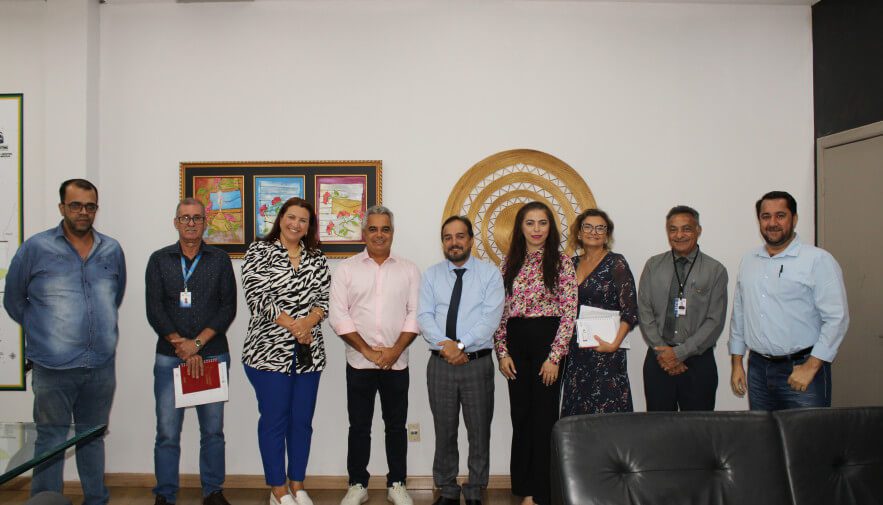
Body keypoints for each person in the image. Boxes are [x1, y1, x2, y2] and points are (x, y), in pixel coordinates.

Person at [3, 179, 126, 505]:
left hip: (100, 365)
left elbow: (114, 297)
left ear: (96, 209)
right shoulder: (36, 248)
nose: (83, 212)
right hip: (52, 368)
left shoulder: (111, 249)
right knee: (50, 441)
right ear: (62, 207)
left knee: (93, 437)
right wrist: (45, 330)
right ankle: (46, 501)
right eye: (76, 205)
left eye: (90, 206)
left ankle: (96, 500)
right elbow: (13, 299)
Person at [145, 198, 237, 505]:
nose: (191, 223)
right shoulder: (159, 260)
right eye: (185, 218)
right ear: (175, 223)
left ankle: (213, 491)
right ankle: (165, 494)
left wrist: (196, 344)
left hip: (211, 355)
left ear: (205, 223)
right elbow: (154, 308)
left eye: (197, 218)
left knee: (212, 431)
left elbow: (228, 307)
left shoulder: (219, 259)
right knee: (167, 432)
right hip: (169, 356)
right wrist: (181, 345)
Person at [241, 197, 330, 505]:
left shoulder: (316, 257)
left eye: (303, 220)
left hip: (308, 355)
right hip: (266, 353)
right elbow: (257, 298)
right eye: (291, 217)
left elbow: (324, 300)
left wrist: (308, 323)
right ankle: (277, 489)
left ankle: (298, 484)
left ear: (309, 226)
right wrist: (295, 326)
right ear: (280, 219)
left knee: (302, 421)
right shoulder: (259, 251)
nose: (296, 224)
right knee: (274, 421)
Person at [329, 205, 420, 505]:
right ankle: (358, 484)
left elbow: (415, 314)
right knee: (359, 426)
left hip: (397, 362)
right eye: (373, 229)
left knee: (396, 426)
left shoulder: (409, 269)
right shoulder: (346, 269)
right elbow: (338, 316)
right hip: (359, 362)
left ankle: (397, 483)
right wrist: (368, 351)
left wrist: (394, 351)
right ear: (363, 233)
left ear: (392, 232)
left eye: (385, 229)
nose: (379, 235)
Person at [729, 191, 849, 410]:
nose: (772, 223)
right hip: (758, 370)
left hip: (802, 369)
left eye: (780, 215)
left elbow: (837, 319)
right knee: (763, 431)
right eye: (766, 216)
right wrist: (737, 362)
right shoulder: (749, 261)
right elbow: (740, 313)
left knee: (806, 432)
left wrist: (811, 366)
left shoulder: (817, 260)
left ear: (794, 219)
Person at [417, 216, 505, 505]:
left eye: (460, 236)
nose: (453, 242)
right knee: (444, 430)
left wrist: (461, 344)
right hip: (440, 364)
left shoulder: (490, 274)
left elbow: (490, 319)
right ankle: (447, 489)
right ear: (443, 242)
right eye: (448, 237)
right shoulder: (431, 275)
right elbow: (424, 317)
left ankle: (475, 488)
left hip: (476, 363)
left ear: (470, 240)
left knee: (479, 430)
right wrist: (447, 346)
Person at [494, 201, 577, 505]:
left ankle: (541, 492)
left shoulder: (562, 263)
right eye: (530, 223)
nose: (536, 229)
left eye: (542, 222)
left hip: (547, 343)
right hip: (516, 344)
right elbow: (499, 313)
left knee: (544, 418)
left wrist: (555, 357)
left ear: (550, 227)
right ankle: (523, 486)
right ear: (520, 227)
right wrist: (502, 352)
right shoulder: (509, 264)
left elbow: (569, 313)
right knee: (521, 416)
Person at [638, 206, 728, 411]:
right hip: (658, 359)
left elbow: (715, 321)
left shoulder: (715, 270)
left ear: (698, 230)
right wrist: (664, 353)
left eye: (686, 229)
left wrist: (679, 353)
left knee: (698, 427)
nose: (679, 235)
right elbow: (644, 311)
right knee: (658, 426)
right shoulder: (653, 265)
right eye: (673, 229)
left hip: (698, 361)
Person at [560, 209, 638, 416]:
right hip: (576, 352)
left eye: (600, 228)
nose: (593, 232)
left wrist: (614, 345)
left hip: (606, 352)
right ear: (579, 233)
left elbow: (630, 311)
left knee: (607, 414)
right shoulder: (570, 264)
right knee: (577, 415)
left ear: (607, 234)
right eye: (588, 227)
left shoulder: (616, 263)